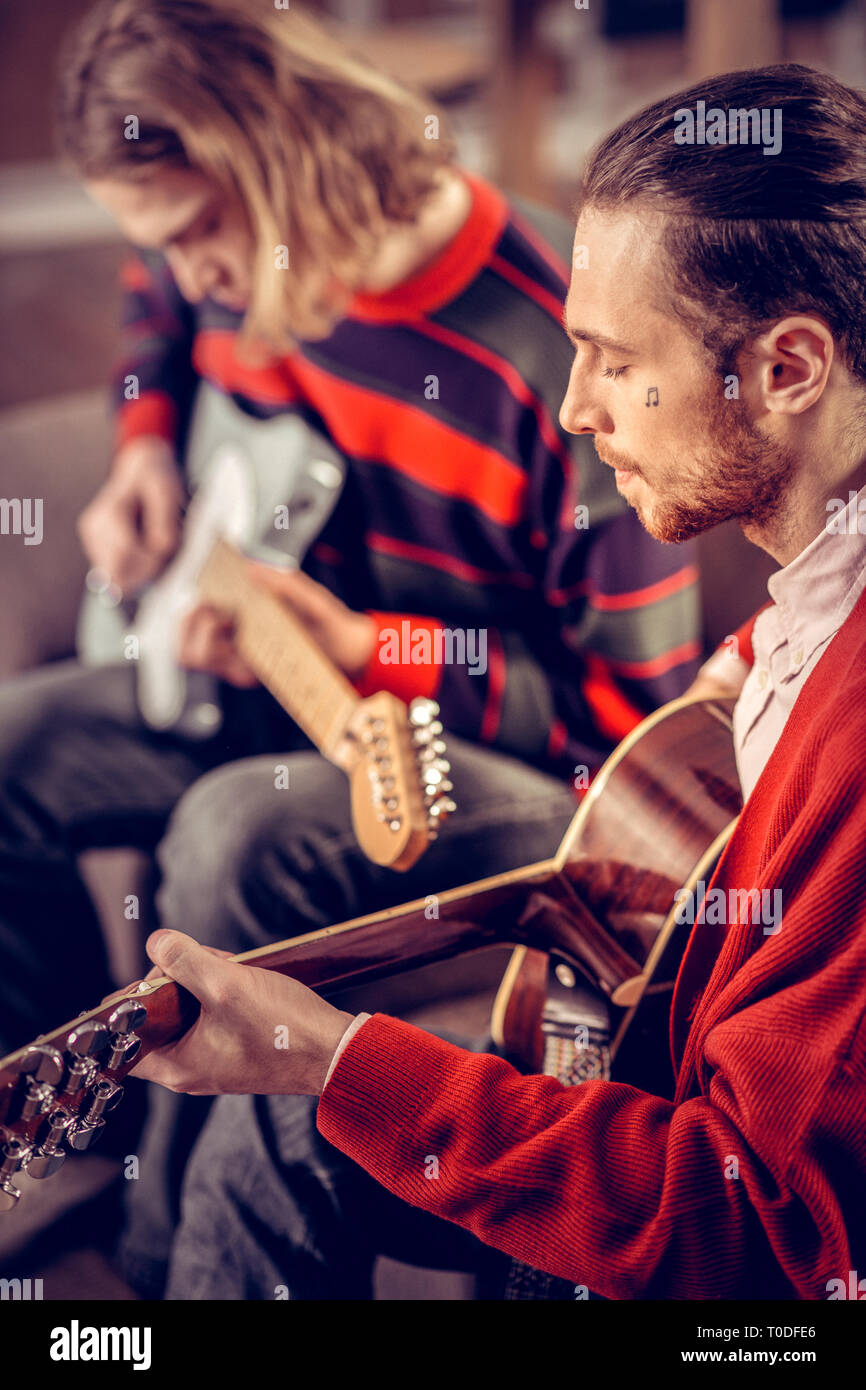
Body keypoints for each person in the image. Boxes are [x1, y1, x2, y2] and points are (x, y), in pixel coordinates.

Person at [0, 1, 699, 1296]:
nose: (193, 274)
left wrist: (383, 646)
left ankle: (159, 1263)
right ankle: (60, 1123)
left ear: (275, 161)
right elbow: (156, 296)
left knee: (231, 834)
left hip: (499, 772)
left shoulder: (564, 347)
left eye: (201, 230)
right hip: (282, 678)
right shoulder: (213, 252)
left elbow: (630, 731)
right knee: (9, 752)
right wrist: (147, 440)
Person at [136, 62, 866, 1301]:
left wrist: (334, 1058)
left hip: (690, 1245)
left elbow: (749, 1234)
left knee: (283, 1054)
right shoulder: (801, 604)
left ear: (787, 370)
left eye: (609, 357)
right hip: (650, 1059)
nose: (576, 404)